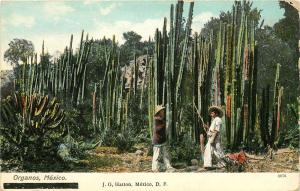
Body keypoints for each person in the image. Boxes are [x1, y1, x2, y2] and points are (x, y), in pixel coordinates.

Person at [152, 105, 175, 172]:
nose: (163, 112)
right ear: (159, 112)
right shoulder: (156, 119)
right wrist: (165, 125)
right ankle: (154, 168)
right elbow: (157, 129)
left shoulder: (161, 119)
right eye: (162, 111)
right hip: (157, 141)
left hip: (162, 140)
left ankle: (168, 166)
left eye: (163, 111)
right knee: (156, 155)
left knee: (166, 154)